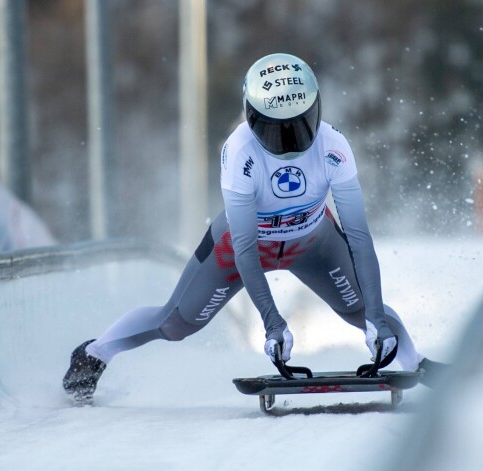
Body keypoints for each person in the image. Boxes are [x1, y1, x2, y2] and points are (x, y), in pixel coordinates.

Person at [63, 53, 440, 404]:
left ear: (316, 110)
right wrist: (273, 324)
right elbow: (245, 249)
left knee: (361, 310)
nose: (290, 142)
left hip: (313, 242)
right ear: (250, 118)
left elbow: (358, 235)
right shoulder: (240, 151)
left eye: (301, 126)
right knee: (176, 324)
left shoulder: (334, 145)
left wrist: (375, 318)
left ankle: (413, 360)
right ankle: (94, 353)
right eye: (277, 131)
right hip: (243, 247)